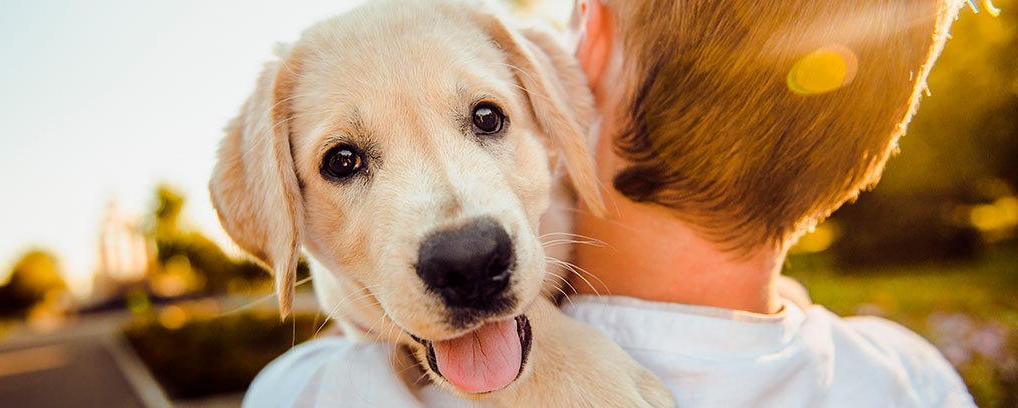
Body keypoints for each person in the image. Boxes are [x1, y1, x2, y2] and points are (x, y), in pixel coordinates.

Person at [244, 0, 975, 406]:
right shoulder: (915, 379)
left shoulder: (311, 395)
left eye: (487, 119)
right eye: (345, 161)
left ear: (586, 43)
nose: (462, 239)